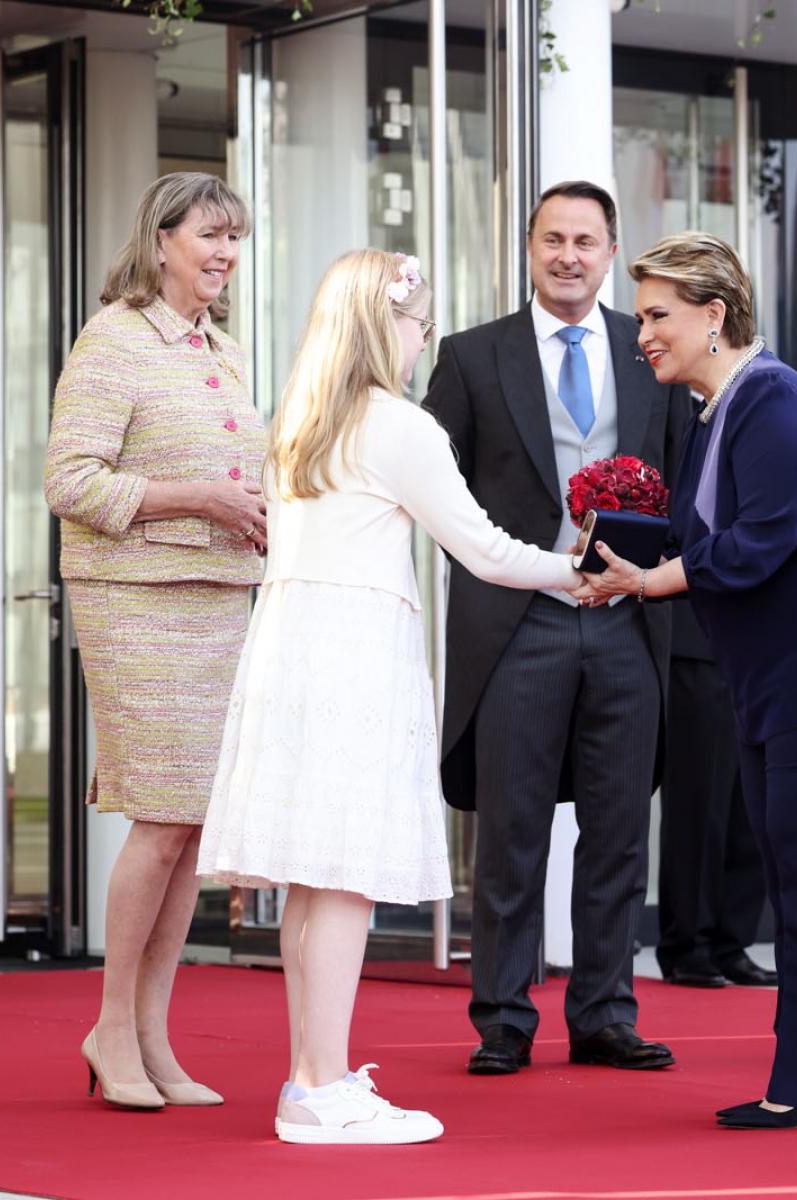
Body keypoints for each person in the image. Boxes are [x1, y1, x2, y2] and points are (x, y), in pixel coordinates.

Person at [197, 250, 584, 1145]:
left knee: (313, 879)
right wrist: (580, 572)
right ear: (387, 327)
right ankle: (323, 1087)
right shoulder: (399, 426)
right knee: (345, 880)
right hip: (356, 657)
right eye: (419, 323)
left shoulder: (299, 420)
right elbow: (483, 549)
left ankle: (309, 1077)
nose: (424, 339)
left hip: (294, 653)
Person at [574, 232, 797, 1130]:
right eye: (642, 318)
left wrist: (647, 579)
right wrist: (625, 552)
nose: (643, 335)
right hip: (776, 684)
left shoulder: (775, 401)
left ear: (716, 315)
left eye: (659, 316)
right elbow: (712, 535)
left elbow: (759, 544)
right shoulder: (724, 408)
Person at [423, 181, 693, 1076]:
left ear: (612, 251)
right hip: (518, 625)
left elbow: (686, 479)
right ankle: (503, 1015)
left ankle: (605, 1011)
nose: (569, 255)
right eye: (553, 239)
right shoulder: (471, 358)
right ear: (529, 249)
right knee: (512, 830)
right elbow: (437, 486)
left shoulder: (648, 348)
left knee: (619, 829)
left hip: (627, 619)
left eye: (586, 240)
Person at [45, 172, 268, 1111]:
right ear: (162, 238)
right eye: (208, 236)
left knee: (190, 826)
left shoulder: (220, 349)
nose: (222, 254)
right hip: (135, 600)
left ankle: (147, 1035)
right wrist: (196, 499)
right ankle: (109, 1024)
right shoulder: (114, 339)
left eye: (232, 239)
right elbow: (70, 481)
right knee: (162, 815)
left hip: (218, 601)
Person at [656, 603, 776, 990]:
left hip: (766, 641)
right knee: (699, 797)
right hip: (699, 631)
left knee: (753, 802)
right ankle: (689, 944)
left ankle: (730, 942)